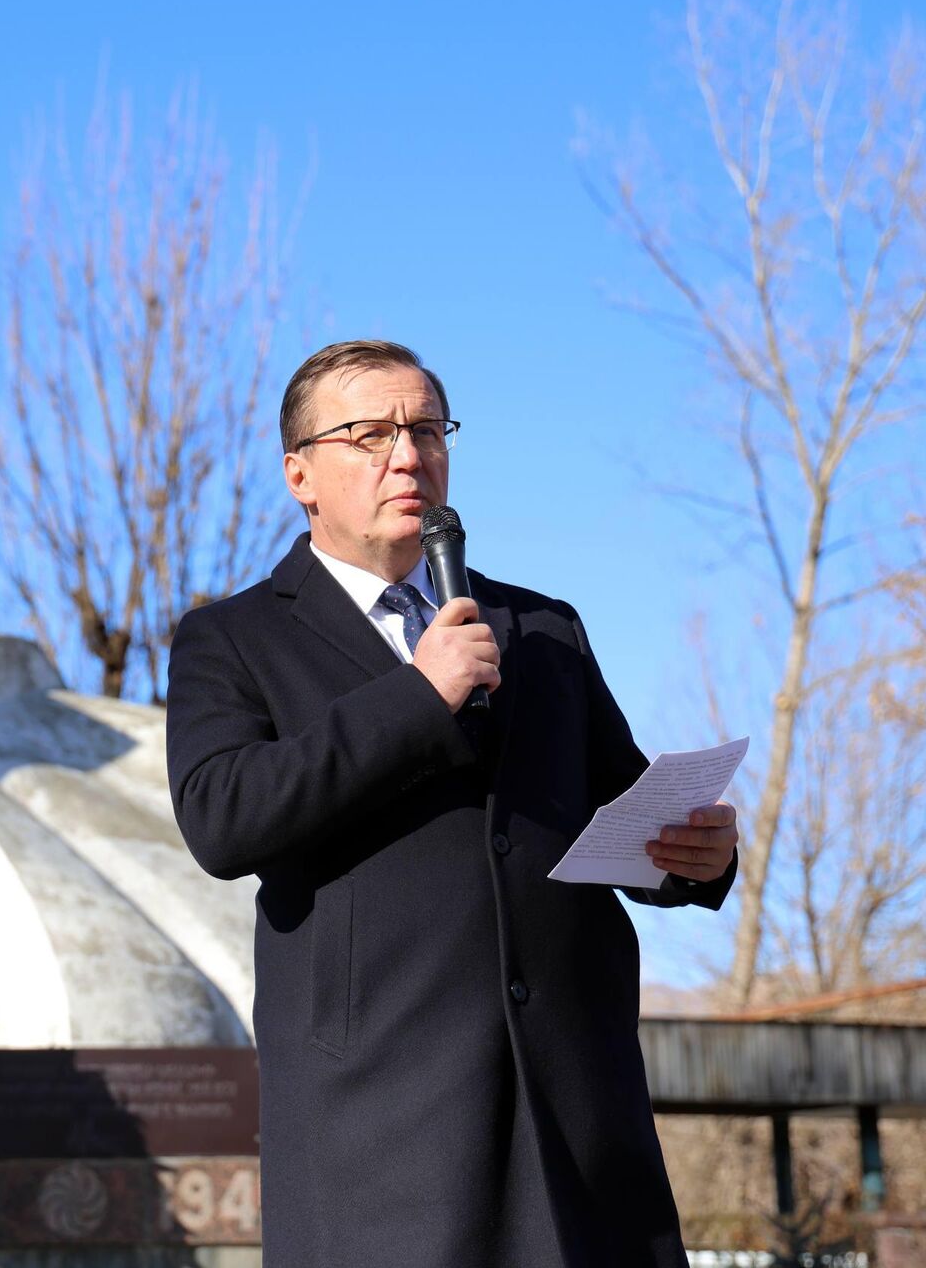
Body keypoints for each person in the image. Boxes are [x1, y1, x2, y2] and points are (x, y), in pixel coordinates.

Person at [164, 339, 741, 1266]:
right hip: (383, 1132)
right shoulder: (233, 638)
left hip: (577, 1122)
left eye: (428, 429)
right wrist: (416, 696)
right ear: (300, 474)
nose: (408, 454)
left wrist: (692, 859)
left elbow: (618, 814)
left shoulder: (541, 628)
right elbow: (222, 818)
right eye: (371, 433)